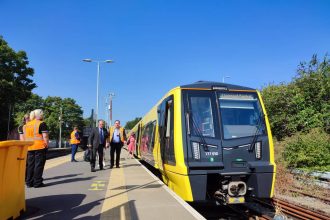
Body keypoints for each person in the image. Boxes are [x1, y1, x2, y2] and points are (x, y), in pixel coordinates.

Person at [23, 109, 49, 188]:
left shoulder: (26, 125)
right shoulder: (42, 123)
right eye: (42, 114)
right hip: (40, 147)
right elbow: (45, 136)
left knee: (30, 165)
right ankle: (37, 183)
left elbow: (25, 137)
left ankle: (29, 182)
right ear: (40, 115)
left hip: (29, 147)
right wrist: (46, 144)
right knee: (38, 165)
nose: (43, 115)